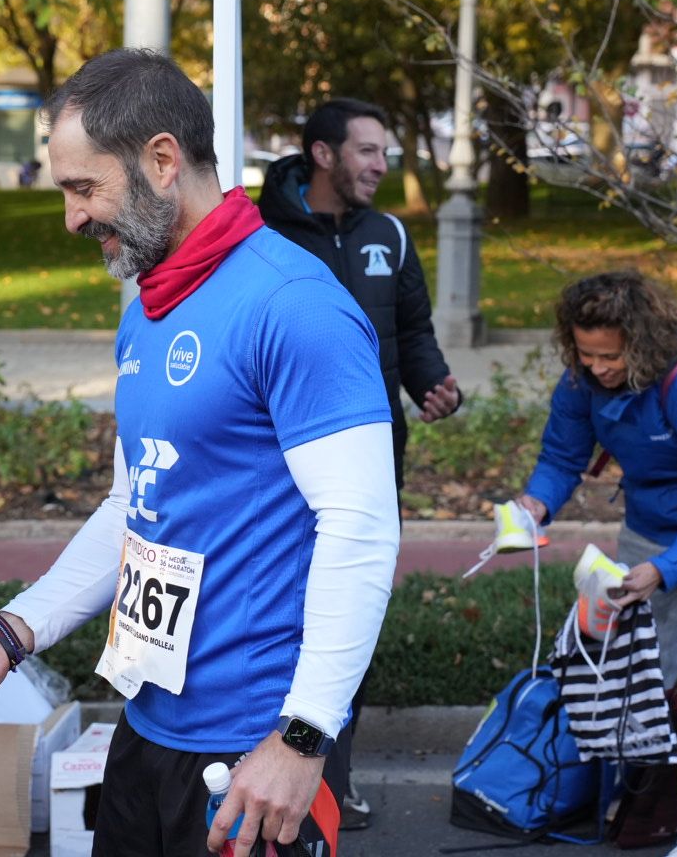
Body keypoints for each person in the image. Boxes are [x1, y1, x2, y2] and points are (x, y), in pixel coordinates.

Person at [0, 49, 400, 857]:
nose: (72, 218)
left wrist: (304, 738)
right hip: (148, 725)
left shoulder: (294, 305)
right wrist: (14, 632)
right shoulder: (149, 302)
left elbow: (360, 532)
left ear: (161, 159)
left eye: (84, 188)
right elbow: (135, 505)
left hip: (253, 755)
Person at [515, 272, 677, 857]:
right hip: (648, 529)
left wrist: (664, 570)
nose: (598, 367)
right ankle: (637, 798)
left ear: (643, 344)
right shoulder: (582, 382)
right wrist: (536, 504)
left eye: (611, 356)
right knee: (636, 668)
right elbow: (561, 456)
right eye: (586, 353)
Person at [257, 97, 461, 828]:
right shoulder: (263, 229)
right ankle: (269, 766)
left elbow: (410, 328)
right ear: (322, 154)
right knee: (284, 615)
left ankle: (330, 782)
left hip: (374, 456)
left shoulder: (390, 234)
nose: (381, 165)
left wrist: (431, 382)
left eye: (383, 152)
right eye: (368, 151)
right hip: (282, 465)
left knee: (349, 613)